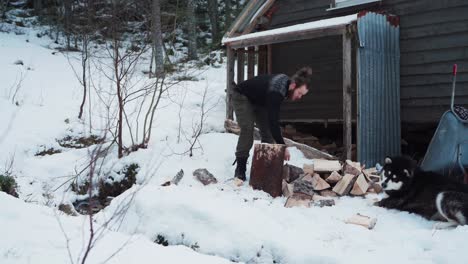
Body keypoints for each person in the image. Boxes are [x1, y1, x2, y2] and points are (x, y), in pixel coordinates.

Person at [232, 67, 313, 180]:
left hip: (259, 100)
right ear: (293, 86)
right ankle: (240, 169)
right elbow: (273, 121)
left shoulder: (285, 84)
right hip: (242, 96)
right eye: (299, 93)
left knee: (268, 133)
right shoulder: (277, 90)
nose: (299, 97)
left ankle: (264, 168)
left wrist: (280, 143)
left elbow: (271, 123)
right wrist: (282, 146)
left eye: (302, 95)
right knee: (247, 128)